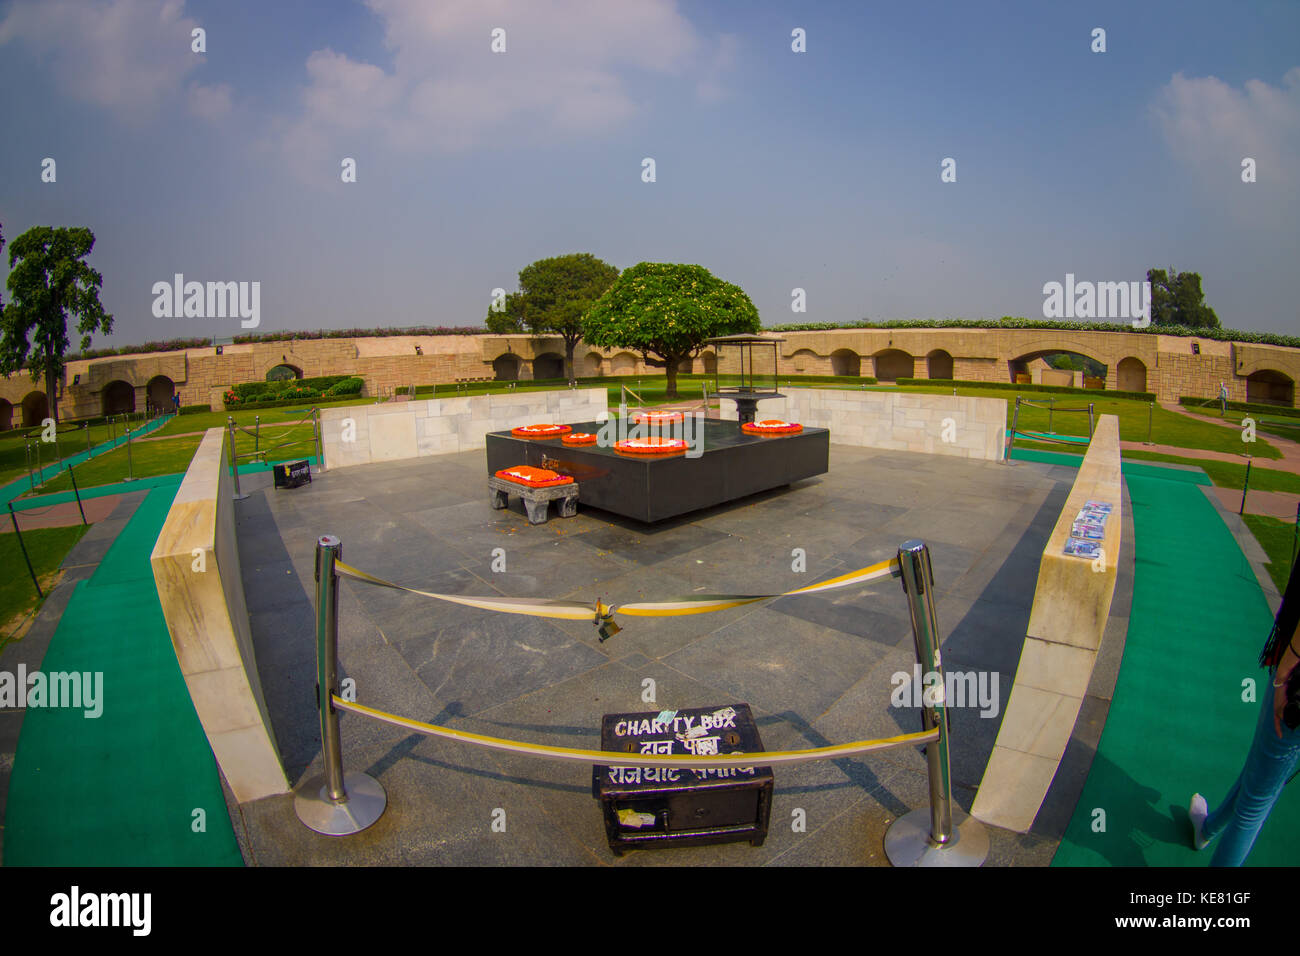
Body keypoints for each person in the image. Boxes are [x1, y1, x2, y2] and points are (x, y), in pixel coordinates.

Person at [1189, 560, 1300, 864]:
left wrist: (1287, 670)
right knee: (1261, 769)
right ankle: (1208, 827)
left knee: (1256, 802)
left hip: (1296, 682)